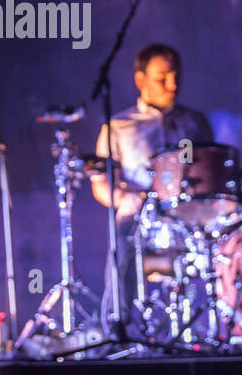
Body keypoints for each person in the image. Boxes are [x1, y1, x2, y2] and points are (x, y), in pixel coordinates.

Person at [88, 44, 213, 328]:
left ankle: (218, 325)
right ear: (140, 79)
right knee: (120, 243)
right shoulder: (118, 126)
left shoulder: (195, 122)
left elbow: (208, 170)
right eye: (162, 78)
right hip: (140, 218)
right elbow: (100, 183)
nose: (173, 84)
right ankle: (118, 325)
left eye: (176, 76)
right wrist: (123, 197)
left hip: (188, 218)